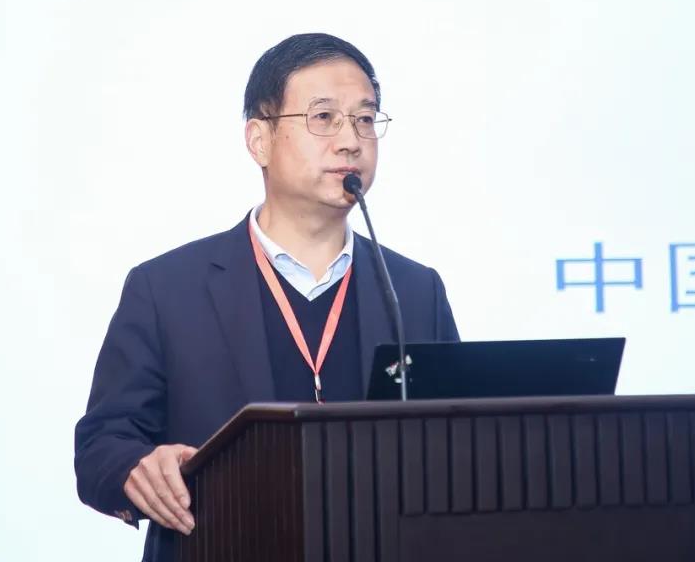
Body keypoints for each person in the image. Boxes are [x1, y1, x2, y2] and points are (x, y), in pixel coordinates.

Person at [74, 32, 460, 561]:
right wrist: (136, 470)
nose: (351, 140)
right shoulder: (166, 288)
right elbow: (102, 445)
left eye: (365, 119)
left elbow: (459, 442)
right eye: (324, 117)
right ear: (259, 139)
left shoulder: (415, 290)